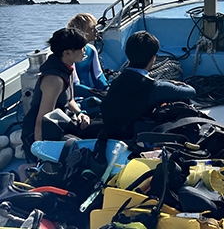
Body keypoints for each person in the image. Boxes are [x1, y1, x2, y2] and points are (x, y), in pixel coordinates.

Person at [22, 28, 102, 162]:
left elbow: (69, 100)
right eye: (82, 48)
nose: (85, 50)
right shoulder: (54, 80)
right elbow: (41, 120)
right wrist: (40, 153)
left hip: (61, 121)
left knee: (101, 125)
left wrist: (80, 113)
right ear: (67, 53)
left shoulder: (67, 67)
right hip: (40, 134)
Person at [101, 31, 196, 140]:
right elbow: (191, 92)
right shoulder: (155, 87)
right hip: (134, 138)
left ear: (128, 54)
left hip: (111, 133)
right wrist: (172, 83)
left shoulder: (117, 81)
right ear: (153, 58)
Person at [67, 13, 108, 92]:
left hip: (89, 93)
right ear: (82, 31)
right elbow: (74, 84)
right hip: (75, 97)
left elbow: (98, 77)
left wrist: (108, 90)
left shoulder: (91, 50)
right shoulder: (70, 53)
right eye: (92, 28)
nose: (96, 31)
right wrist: (96, 93)